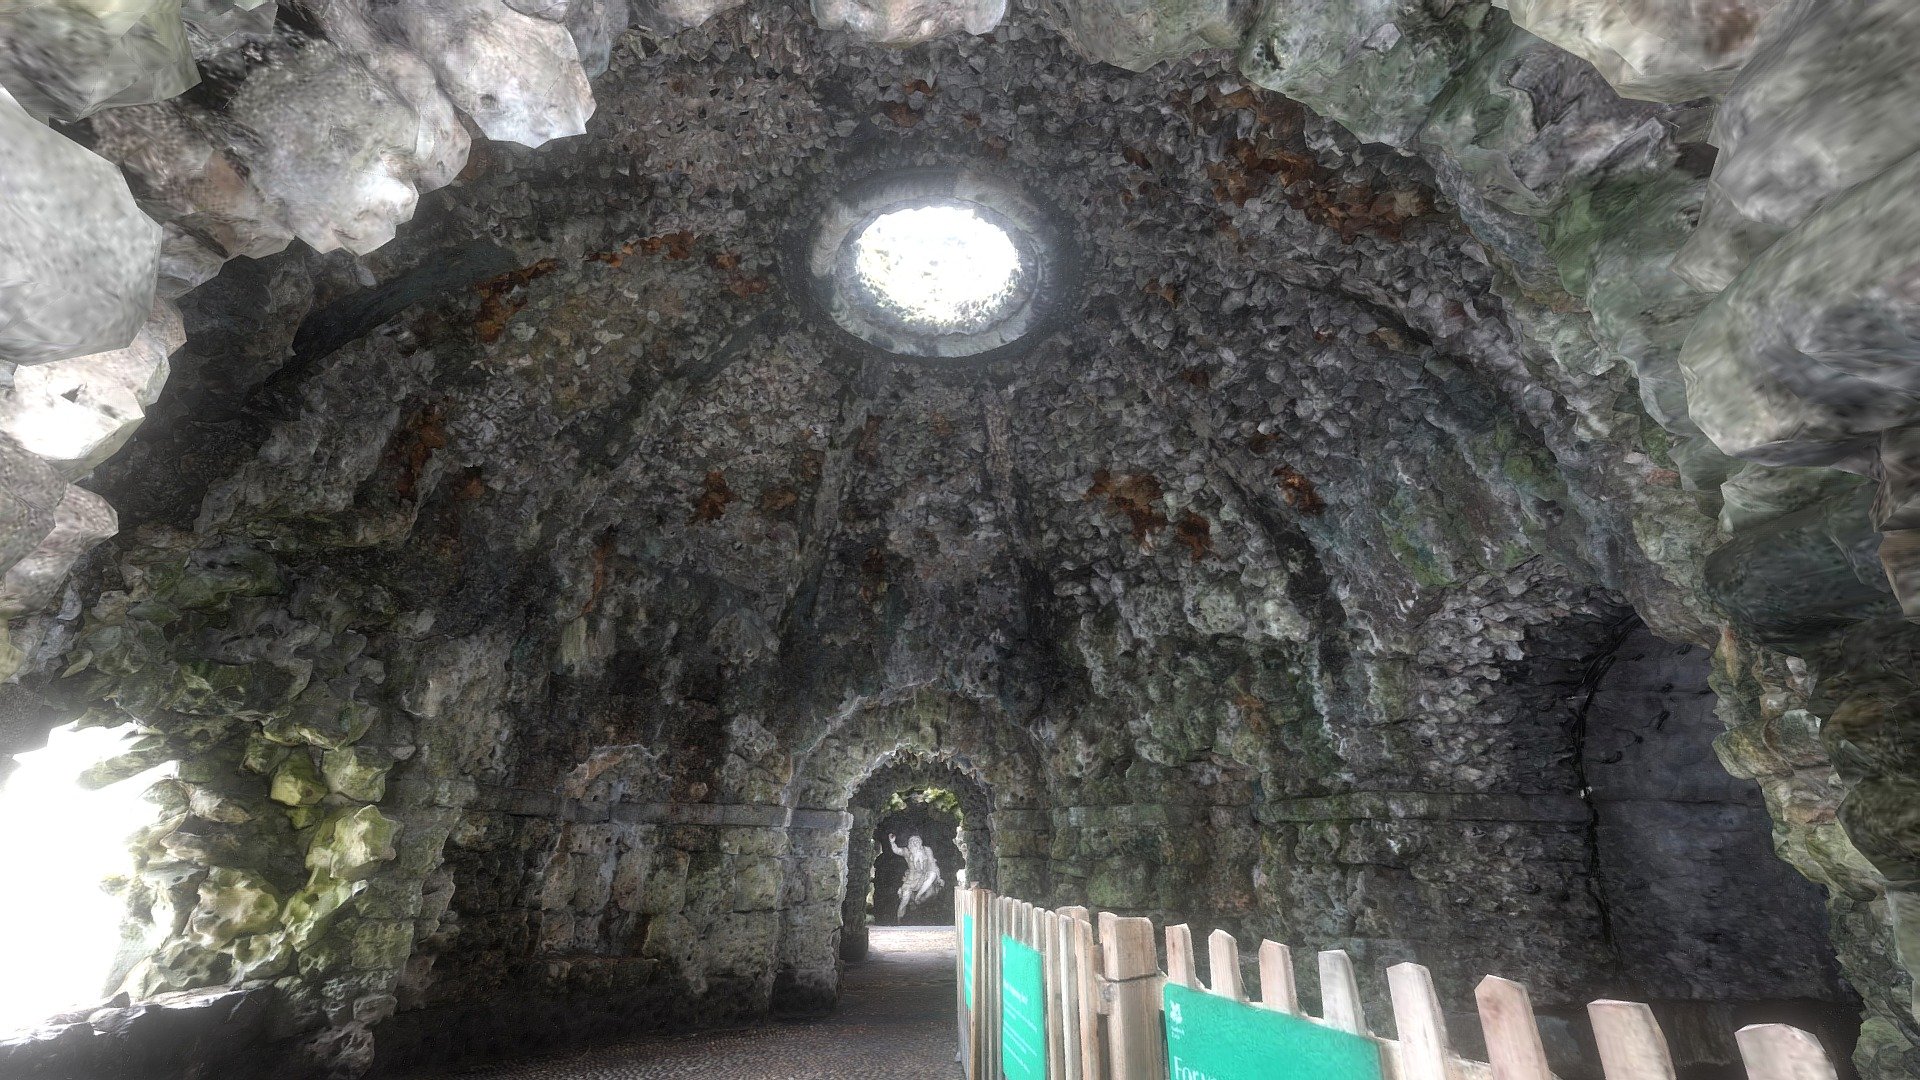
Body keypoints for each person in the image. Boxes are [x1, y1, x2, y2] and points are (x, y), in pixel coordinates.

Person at [889, 832, 943, 920]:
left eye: (917, 841)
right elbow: (897, 850)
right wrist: (892, 842)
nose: (915, 843)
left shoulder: (926, 850)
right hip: (911, 879)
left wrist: (938, 877)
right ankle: (899, 918)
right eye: (912, 842)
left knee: (932, 875)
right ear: (909, 844)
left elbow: (932, 863)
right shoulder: (907, 851)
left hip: (924, 877)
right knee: (905, 898)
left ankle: (918, 896)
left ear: (920, 842)